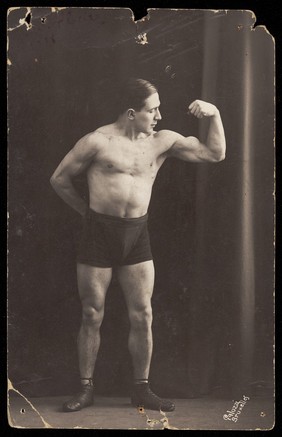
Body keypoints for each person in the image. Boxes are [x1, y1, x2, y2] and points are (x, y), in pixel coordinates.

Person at [50, 78, 226, 413]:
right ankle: (85, 388)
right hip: (97, 235)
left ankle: (142, 389)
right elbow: (59, 178)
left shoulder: (162, 142)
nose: (159, 115)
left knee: (143, 314)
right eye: (152, 109)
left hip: (136, 235)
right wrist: (86, 213)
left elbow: (215, 154)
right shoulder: (97, 142)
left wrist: (214, 114)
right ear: (132, 113)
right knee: (91, 313)